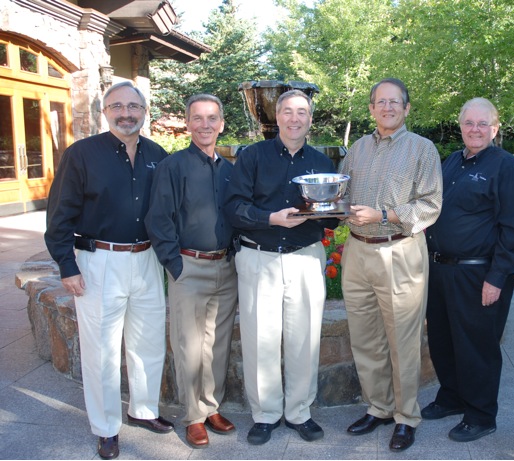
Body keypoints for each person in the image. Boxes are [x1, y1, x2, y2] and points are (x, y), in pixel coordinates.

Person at [44, 81, 173, 460]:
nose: (126, 113)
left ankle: (144, 409)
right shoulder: (82, 154)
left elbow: (167, 210)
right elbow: (59, 216)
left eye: (133, 106)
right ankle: (105, 427)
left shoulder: (157, 154)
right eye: (117, 106)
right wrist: (67, 266)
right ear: (105, 111)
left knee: (148, 341)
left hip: (147, 259)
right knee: (100, 348)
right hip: (99, 261)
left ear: (144, 111)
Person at [226, 89, 336, 446]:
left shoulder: (321, 162)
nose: (294, 118)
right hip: (260, 256)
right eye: (287, 111)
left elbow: (330, 217)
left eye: (301, 112)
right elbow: (234, 207)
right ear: (277, 116)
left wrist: (333, 211)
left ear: (309, 118)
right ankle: (266, 414)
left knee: (304, 339)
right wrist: (271, 218)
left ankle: (300, 412)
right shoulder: (252, 156)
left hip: (305, 257)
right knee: (261, 339)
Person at [339, 78, 442, 452]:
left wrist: (384, 213)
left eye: (394, 102)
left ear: (407, 108)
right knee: (365, 338)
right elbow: (342, 194)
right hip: (356, 252)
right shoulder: (357, 149)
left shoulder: (422, 149)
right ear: (371, 108)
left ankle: (406, 416)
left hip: (400, 251)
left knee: (403, 339)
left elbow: (431, 205)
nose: (387, 108)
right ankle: (379, 407)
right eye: (380, 102)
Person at [422, 97, 514, 442]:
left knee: (476, 347)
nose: (475, 129)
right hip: (441, 270)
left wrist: (497, 277)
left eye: (483, 124)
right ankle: (452, 397)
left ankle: (481, 414)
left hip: (478, 273)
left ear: (495, 128)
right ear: (460, 126)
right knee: (443, 340)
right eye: (469, 123)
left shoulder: (506, 166)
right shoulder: (451, 162)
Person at [145, 94, 238, 449]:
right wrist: (175, 264)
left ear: (221, 124)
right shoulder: (174, 166)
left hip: (225, 268)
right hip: (189, 267)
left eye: (211, 118)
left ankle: (212, 407)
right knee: (190, 346)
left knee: (218, 344)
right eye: (197, 118)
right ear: (188, 124)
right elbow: (159, 219)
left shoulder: (230, 170)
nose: (205, 125)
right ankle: (194, 416)